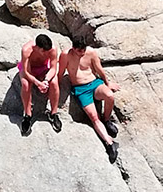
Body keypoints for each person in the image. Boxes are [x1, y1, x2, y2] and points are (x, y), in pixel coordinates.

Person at [58, 35, 120, 163]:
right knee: (93, 117)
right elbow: (60, 73)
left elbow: (99, 69)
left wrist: (107, 83)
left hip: (94, 83)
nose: (82, 53)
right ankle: (109, 144)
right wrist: (56, 88)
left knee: (109, 95)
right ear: (73, 48)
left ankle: (107, 120)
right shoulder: (66, 55)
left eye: (83, 50)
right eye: (79, 50)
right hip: (81, 89)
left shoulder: (90, 52)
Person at [18, 34, 62, 136]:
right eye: (44, 51)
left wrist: (46, 81)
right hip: (29, 70)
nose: (46, 53)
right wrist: (37, 83)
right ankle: (27, 115)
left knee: (54, 82)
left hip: (43, 68)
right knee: (25, 84)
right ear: (37, 47)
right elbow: (26, 72)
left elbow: (53, 68)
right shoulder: (26, 50)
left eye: (48, 50)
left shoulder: (52, 49)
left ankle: (53, 113)